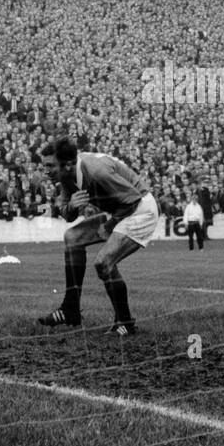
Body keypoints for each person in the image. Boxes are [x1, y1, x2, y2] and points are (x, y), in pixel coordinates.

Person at [36, 136, 158, 335]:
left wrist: (109, 225)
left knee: (103, 263)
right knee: (72, 237)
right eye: (44, 166)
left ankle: (126, 322)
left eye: (50, 166)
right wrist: (72, 206)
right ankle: (70, 309)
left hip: (141, 210)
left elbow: (133, 199)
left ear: (67, 164)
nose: (46, 171)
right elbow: (68, 216)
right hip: (121, 209)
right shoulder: (66, 175)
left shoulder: (97, 171)